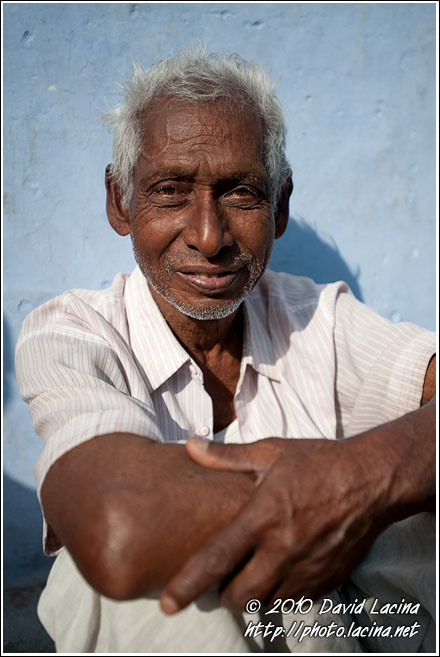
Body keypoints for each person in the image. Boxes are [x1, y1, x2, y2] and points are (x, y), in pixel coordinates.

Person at [16, 48, 435, 653]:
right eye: (169, 191)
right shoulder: (74, 332)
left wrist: (363, 474)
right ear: (120, 203)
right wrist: (342, 493)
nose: (209, 237)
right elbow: (117, 528)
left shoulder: (318, 319)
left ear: (280, 206)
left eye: (240, 193)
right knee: (107, 581)